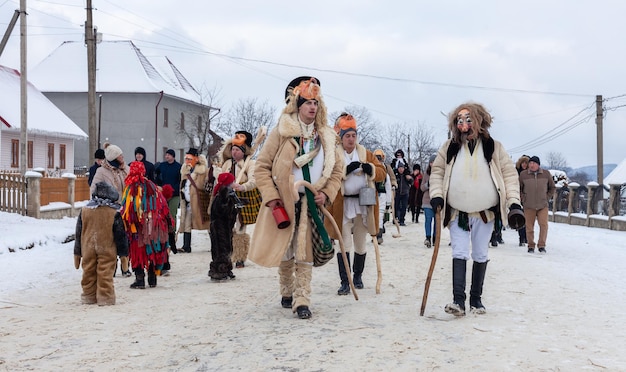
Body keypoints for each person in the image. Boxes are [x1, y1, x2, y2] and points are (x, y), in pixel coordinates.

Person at [249, 76, 343, 320]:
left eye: (316, 102)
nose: (313, 107)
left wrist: (326, 194)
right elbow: (261, 168)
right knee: (286, 251)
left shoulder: (327, 137)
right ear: (297, 105)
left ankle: (302, 298)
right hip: (284, 201)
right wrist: (272, 198)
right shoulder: (281, 133)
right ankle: (287, 289)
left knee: (305, 252)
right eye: (307, 102)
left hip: (312, 203)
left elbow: (336, 171)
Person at [429, 102, 522, 316]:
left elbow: (509, 175)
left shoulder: (493, 147)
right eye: (460, 121)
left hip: (485, 212)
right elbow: (437, 173)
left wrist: (513, 201)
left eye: (469, 120)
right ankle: (458, 301)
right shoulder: (449, 147)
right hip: (457, 212)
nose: (464, 125)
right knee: (459, 251)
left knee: (480, 253)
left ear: (479, 122)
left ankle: (476, 301)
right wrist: (436, 195)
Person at [327, 113, 385, 295]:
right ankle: (345, 281)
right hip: (342, 204)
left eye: (353, 135)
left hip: (363, 204)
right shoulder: (334, 155)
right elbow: (327, 174)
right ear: (341, 137)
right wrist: (345, 170)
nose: (351, 139)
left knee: (360, 242)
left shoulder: (365, 153)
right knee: (343, 243)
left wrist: (372, 170)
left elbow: (383, 172)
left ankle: (358, 276)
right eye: (347, 136)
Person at [74, 182, 128, 305]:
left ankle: (88, 296)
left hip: (88, 248)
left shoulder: (85, 210)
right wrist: (123, 255)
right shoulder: (114, 212)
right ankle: (105, 297)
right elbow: (120, 235)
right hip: (107, 249)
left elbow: (78, 232)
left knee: (88, 271)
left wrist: (77, 252)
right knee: (105, 273)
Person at [121, 161, 172, 289]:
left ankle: (139, 279)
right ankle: (152, 277)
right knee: (152, 250)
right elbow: (162, 204)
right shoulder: (152, 186)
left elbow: (128, 210)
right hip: (154, 225)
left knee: (138, 251)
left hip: (138, 227)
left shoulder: (131, 188)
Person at [216, 130, 257, 268]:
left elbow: (254, 180)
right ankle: (228, 254)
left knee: (240, 227)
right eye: (232, 149)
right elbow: (220, 179)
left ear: (243, 150)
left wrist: (242, 187)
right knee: (228, 227)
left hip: (242, 198)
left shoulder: (250, 163)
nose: (234, 152)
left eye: (237, 150)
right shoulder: (227, 164)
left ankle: (239, 257)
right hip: (227, 199)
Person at [90, 142, 131, 277]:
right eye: (120, 156)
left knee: (125, 238)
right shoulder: (101, 171)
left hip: (126, 209)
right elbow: (94, 190)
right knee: (111, 240)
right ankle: (111, 267)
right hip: (109, 211)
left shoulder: (126, 169)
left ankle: (126, 266)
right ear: (114, 158)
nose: (122, 157)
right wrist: (106, 199)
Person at [208, 172, 241, 281]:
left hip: (224, 226)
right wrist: (233, 211)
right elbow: (222, 211)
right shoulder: (223, 194)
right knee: (220, 247)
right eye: (232, 182)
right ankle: (218, 270)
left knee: (226, 246)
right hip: (219, 226)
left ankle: (225, 268)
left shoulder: (228, 193)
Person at [519, 156, 556, 254]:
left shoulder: (546, 174)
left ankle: (542, 245)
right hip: (529, 205)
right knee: (529, 227)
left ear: (538, 164)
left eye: (533, 163)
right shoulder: (523, 175)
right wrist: (523, 198)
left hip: (542, 205)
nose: (531, 165)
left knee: (543, 225)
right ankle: (531, 245)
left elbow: (552, 188)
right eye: (530, 163)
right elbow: (519, 188)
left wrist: (546, 197)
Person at [179, 148, 212, 253]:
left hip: (199, 200)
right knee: (187, 222)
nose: (188, 161)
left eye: (190, 158)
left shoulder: (202, 170)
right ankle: (186, 245)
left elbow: (205, 184)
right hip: (188, 200)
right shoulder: (185, 170)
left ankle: (214, 244)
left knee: (207, 222)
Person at [155, 149, 182, 253]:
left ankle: (172, 233)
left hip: (174, 195)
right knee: (162, 215)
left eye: (169, 155)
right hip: (162, 194)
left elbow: (179, 181)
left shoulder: (178, 167)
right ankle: (163, 234)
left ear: (173, 156)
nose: (167, 156)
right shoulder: (162, 166)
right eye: (166, 155)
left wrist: (172, 190)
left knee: (172, 214)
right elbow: (157, 177)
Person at [373, 149, 396, 244]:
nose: (378, 160)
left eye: (379, 158)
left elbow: (389, 183)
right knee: (373, 216)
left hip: (382, 195)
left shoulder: (386, 170)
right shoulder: (371, 169)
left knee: (380, 215)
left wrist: (388, 202)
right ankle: (374, 233)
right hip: (372, 195)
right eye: (376, 158)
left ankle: (379, 234)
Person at [421, 155, 436, 248]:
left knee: (437, 222)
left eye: (434, 162)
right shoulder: (426, 174)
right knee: (428, 220)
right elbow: (422, 187)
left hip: (437, 200)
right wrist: (428, 184)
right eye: (431, 162)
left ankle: (435, 238)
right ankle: (428, 238)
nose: (433, 164)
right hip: (427, 201)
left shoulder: (441, 173)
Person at [515, 155, 530, 246]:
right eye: (523, 163)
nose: (524, 164)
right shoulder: (516, 172)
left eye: (526, 163)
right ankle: (521, 237)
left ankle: (527, 237)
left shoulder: (530, 173)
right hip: (518, 197)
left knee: (528, 219)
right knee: (520, 218)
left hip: (528, 198)